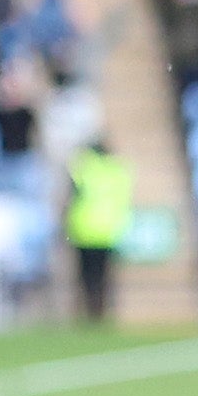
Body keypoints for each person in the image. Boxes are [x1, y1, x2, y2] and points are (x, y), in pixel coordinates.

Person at [65, 132, 133, 323]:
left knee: (86, 276)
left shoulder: (84, 167)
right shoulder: (118, 169)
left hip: (84, 229)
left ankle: (87, 313)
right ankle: (101, 312)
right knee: (104, 276)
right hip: (109, 230)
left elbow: (73, 194)